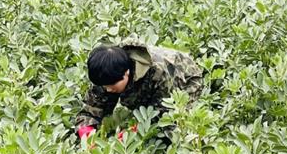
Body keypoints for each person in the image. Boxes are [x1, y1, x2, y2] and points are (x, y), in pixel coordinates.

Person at [75, 37, 203, 139]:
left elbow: (163, 115)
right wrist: (87, 134)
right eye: (104, 86)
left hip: (186, 78)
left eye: (111, 86)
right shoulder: (108, 71)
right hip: (140, 80)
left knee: (172, 129)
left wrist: (133, 132)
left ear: (126, 73)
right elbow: (89, 110)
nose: (107, 90)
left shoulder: (158, 74)